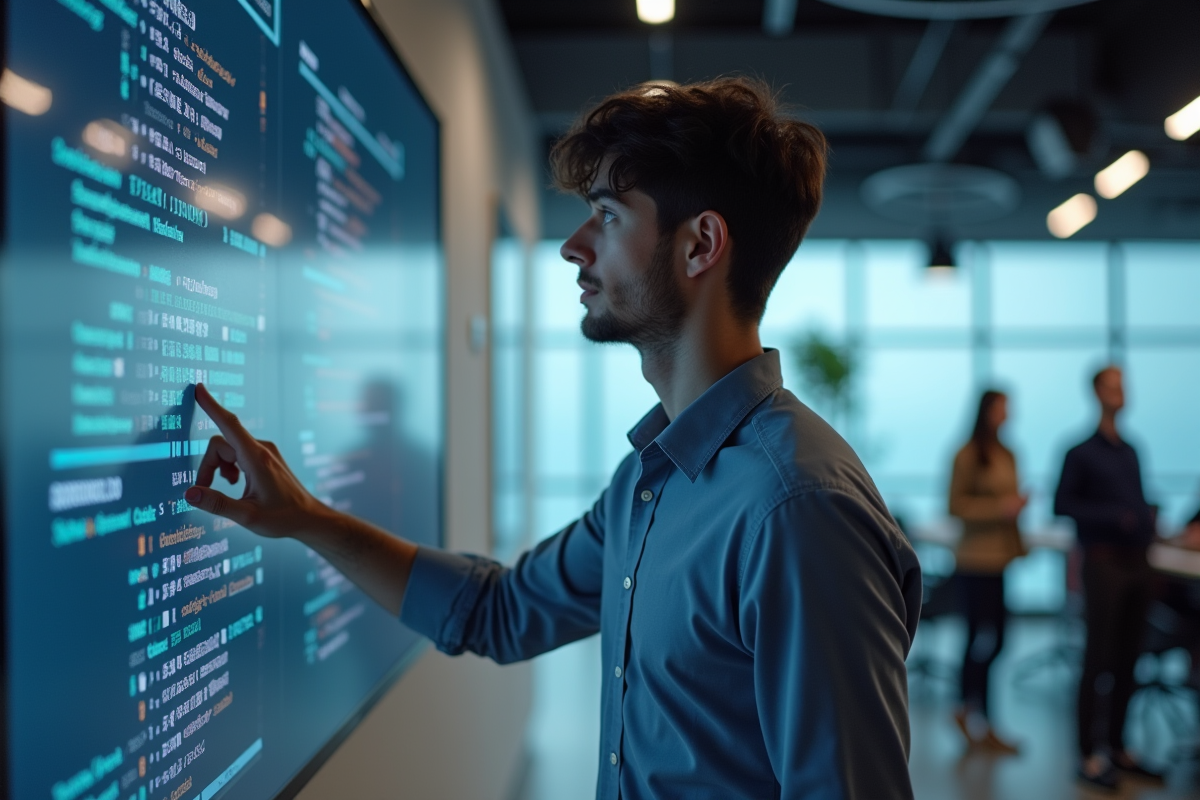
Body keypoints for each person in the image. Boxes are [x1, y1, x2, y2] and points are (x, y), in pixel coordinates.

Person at [184, 78, 922, 799]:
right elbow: (496, 613)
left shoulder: (795, 508)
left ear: (701, 245)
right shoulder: (649, 481)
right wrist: (305, 517)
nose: (574, 247)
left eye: (606, 215)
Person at [1055, 365, 1162, 790]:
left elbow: (1137, 500)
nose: (1121, 392)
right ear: (1096, 392)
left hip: (1138, 563)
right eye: (1113, 386)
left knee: (1128, 660)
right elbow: (1062, 505)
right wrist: (1114, 517)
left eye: (1124, 386)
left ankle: (1118, 746)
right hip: (1103, 563)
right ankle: (1087, 754)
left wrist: (1148, 521)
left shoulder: (1131, 450)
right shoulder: (1079, 452)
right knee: (1096, 659)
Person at [948, 389, 1026, 753]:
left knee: (998, 640)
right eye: (1001, 408)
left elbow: (1010, 507)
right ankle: (970, 711)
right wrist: (1000, 508)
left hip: (1000, 559)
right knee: (979, 638)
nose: (1007, 414)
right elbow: (956, 507)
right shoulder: (966, 455)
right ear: (986, 412)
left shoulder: (1008, 454)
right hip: (974, 560)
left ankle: (974, 711)